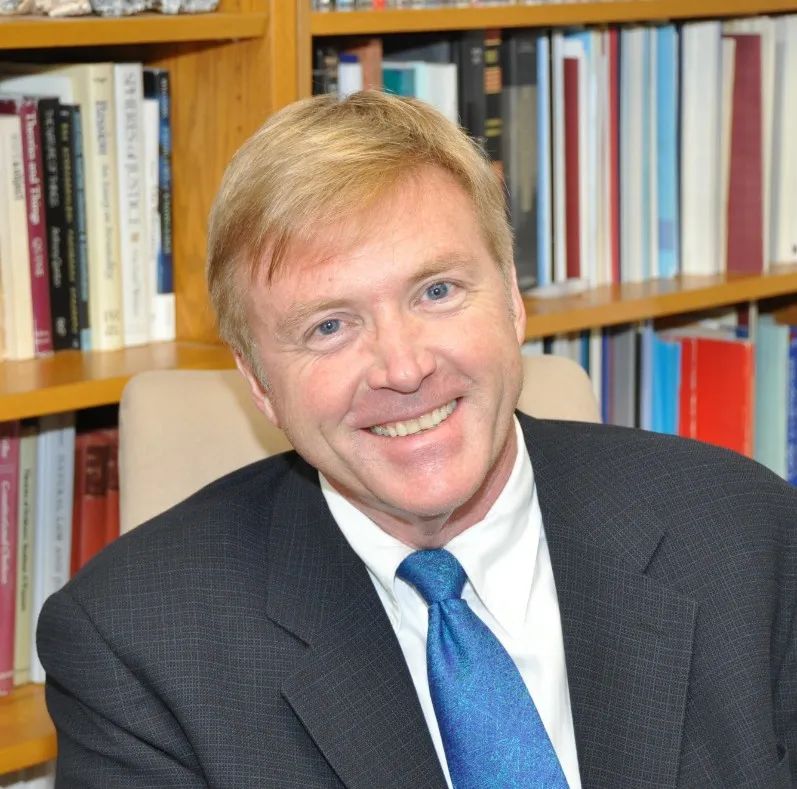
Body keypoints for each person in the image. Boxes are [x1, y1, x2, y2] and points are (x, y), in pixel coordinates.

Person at [38, 91, 795, 788]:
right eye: (329, 326)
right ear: (259, 382)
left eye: (436, 291)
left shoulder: (742, 535)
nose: (403, 369)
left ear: (512, 300)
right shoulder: (135, 643)